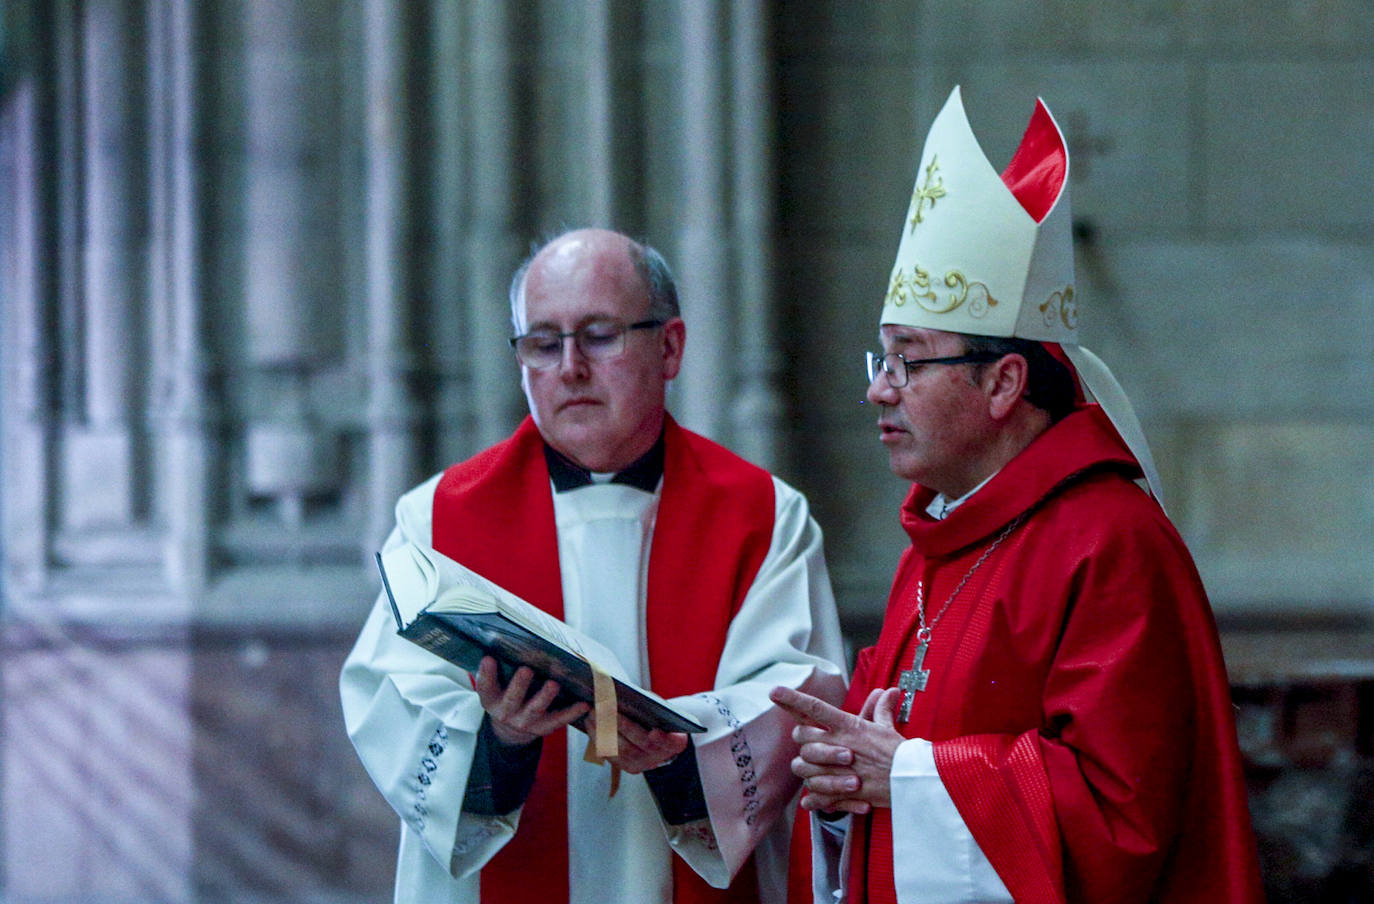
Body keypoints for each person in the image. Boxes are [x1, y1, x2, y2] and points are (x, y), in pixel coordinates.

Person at [770, 87, 1265, 903]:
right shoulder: (937, 545)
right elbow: (874, 766)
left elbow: (1123, 821)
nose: (878, 393)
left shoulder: (1110, 544)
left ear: (1003, 383)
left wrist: (907, 778)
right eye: (880, 361)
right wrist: (837, 783)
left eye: (908, 361)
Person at [341, 227, 847, 904]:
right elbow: (388, 702)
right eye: (543, 344)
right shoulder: (436, 519)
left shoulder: (763, 516)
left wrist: (680, 750)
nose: (570, 367)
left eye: (600, 335)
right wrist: (500, 741)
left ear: (669, 347)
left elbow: (798, 695)